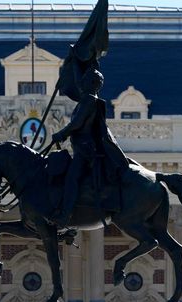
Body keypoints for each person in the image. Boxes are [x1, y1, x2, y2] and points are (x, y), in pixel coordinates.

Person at [49, 66, 130, 227]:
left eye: (84, 80)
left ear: (91, 83)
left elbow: (77, 123)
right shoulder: (88, 99)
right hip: (83, 148)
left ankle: (65, 215)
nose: (81, 82)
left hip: (86, 151)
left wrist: (61, 134)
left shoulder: (89, 100)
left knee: (72, 178)